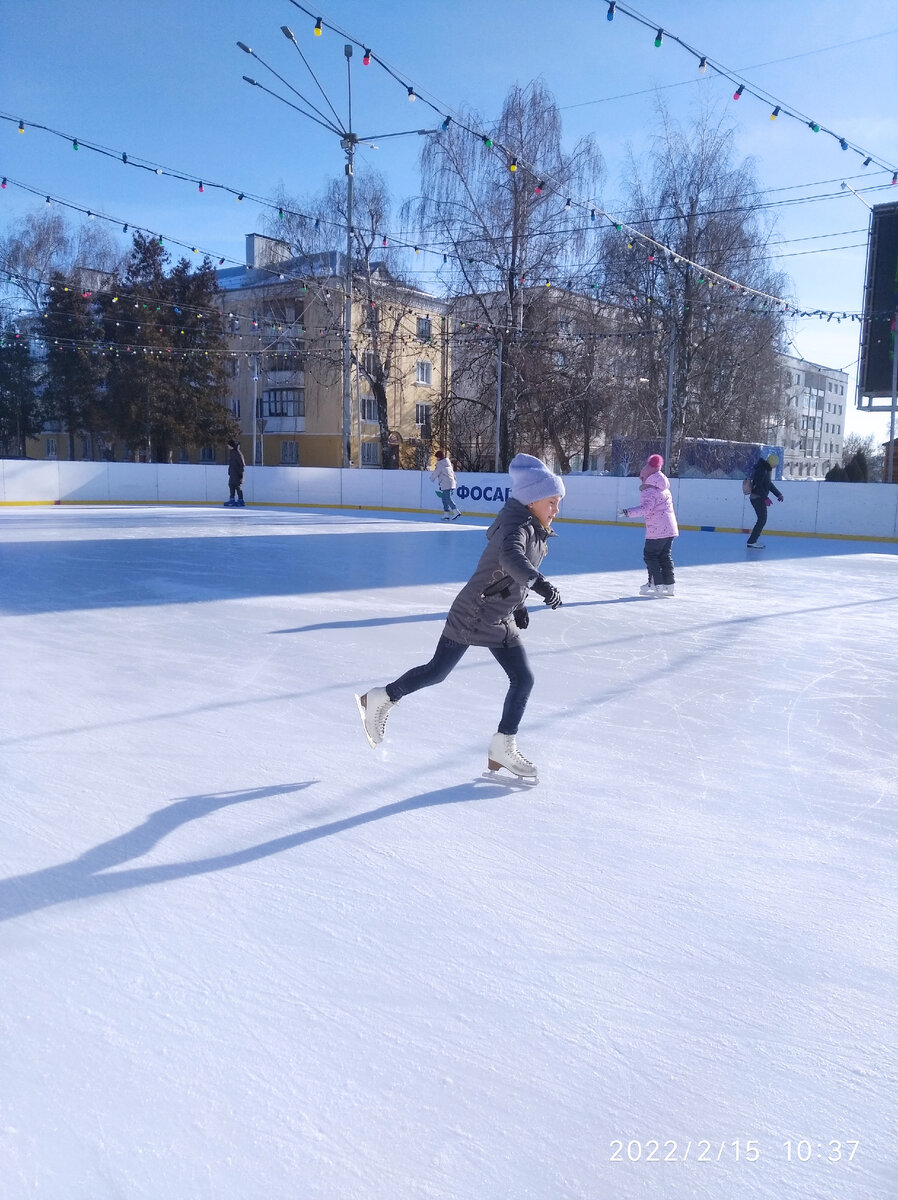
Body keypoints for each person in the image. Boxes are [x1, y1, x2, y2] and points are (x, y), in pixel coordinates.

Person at [356, 453, 566, 780]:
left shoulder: (531, 527)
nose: (556, 510)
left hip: (498, 613)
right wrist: (539, 585)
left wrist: (519, 604)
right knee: (437, 671)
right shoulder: (518, 528)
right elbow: (510, 559)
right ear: (532, 501)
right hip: (475, 611)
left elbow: (503, 573)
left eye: (558, 502)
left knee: (523, 678)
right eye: (552, 502)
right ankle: (380, 698)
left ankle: (502, 748)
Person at [620, 453, 679, 597]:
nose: (640, 480)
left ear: (648, 477)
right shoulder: (663, 487)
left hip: (657, 530)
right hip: (670, 528)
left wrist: (628, 512)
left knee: (650, 555)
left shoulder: (649, 490)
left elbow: (646, 509)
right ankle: (669, 585)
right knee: (665, 556)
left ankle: (656, 584)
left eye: (642, 478)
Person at [746, 452, 784, 548]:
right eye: (775, 464)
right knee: (762, 519)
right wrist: (765, 498)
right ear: (772, 462)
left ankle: (752, 540)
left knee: (762, 519)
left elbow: (768, 484)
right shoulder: (762, 470)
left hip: (759, 497)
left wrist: (778, 494)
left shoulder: (766, 469)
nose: (775, 466)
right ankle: (752, 541)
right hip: (757, 497)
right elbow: (758, 485)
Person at [430, 449, 460, 520]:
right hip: (450, 483)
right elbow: (453, 474)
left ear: (439, 457)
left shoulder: (440, 464)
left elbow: (436, 472)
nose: (436, 459)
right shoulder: (447, 463)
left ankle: (456, 511)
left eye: (436, 457)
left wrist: (431, 478)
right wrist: (455, 482)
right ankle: (446, 514)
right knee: (444, 499)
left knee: (447, 498)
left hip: (446, 483)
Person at [224, 436, 246, 507]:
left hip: (237, 474)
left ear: (231, 445)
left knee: (237, 487)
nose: (227, 446)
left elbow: (242, 464)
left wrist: (241, 475)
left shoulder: (237, 453)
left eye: (228, 445)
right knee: (231, 485)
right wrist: (229, 472)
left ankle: (241, 500)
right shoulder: (231, 453)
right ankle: (232, 500)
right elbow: (231, 463)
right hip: (232, 473)